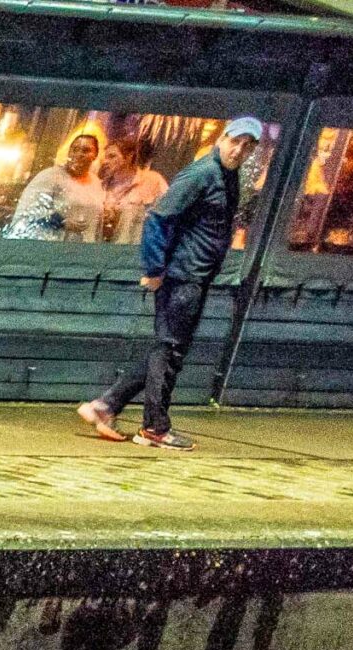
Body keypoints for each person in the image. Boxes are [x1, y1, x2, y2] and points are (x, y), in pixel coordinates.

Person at [77, 116, 263, 451]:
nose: (239, 150)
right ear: (223, 138)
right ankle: (154, 428)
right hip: (181, 275)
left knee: (165, 346)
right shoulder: (202, 173)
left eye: (248, 145)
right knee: (170, 350)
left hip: (195, 275)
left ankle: (105, 406)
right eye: (236, 141)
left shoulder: (227, 175)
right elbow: (159, 218)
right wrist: (154, 268)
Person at [6, 132, 103, 241]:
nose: (79, 154)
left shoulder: (96, 183)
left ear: (95, 155)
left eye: (86, 150)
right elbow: (28, 212)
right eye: (75, 149)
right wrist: (60, 222)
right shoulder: (50, 176)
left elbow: (97, 222)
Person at [98, 134, 167, 244]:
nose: (105, 161)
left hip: (135, 248)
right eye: (105, 157)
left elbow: (167, 213)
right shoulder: (103, 185)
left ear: (129, 156)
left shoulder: (153, 180)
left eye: (112, 156)